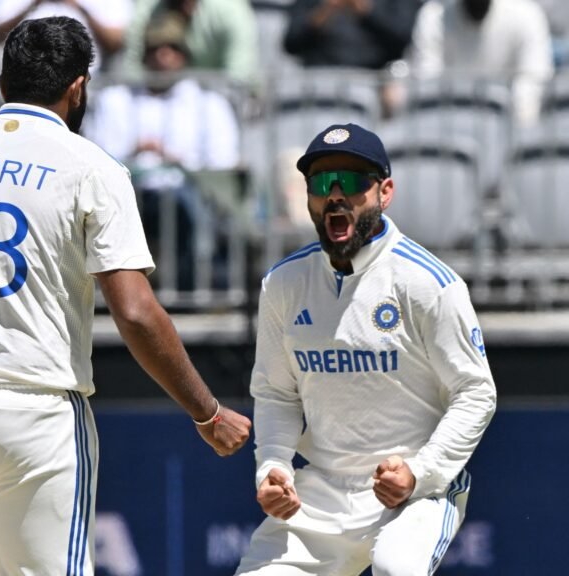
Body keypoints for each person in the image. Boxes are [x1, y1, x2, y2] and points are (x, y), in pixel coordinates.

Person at [0, 16, 250, 575]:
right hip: (33, 412)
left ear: (4, 84)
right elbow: (136, 312)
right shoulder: (91, 167)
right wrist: (207, 411)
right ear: (78, 87)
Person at [234, 123, 496, 575]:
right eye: (321, 183)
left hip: (415, 492)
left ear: (385, 191)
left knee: (396, 568)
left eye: (354, 182)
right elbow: (277, 394)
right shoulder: (283, 283)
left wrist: (420, 472)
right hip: (320, 494)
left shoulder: (428, 283)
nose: (336, 194)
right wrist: (272, 468)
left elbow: (476, 393)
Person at [87, 10, 241, 290]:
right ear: (145, 55)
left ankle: (187, 290)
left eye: (172, 49)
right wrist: (134, 151)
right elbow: (97, 158)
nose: (163, 56)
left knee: (182, 205)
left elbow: (222, 163)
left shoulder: (209, 103)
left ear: (185, 56)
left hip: (189, 194)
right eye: (156, 49)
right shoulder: (115, 99)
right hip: (130, 193)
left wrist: (175, 160)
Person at [409, 0, 555, 126]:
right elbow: (428, 85)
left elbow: (533, 84)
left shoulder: (528, 15)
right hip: (447, 131)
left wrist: (516, 126)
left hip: (511, 132)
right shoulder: (433, 17)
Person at [122, 0, 260, 87]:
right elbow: (130, 68)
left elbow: (239, 78)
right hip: (159, 106)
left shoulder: (231, 9)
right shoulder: (147, 7)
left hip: (221, 105)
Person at [0, 0, 133, 72]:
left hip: (85, 82)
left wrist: (78, 7)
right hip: (27, 80)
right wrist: (35, 3)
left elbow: (115, 42)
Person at [283, 0, 422, 71]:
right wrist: (326, 10)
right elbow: (291, 44)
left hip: (374, 79)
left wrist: (364, 10)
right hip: (320, 81)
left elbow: (401, 39)